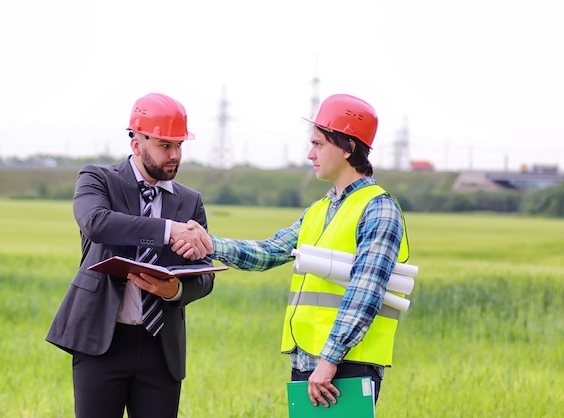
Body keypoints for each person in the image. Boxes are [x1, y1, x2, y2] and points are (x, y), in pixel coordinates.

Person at [173, 93, 410, 407]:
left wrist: (329, 360)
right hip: (307, 362)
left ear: (349, 147)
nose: (310, 154)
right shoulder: (319, 211)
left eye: (318, 144)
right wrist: (209, 243)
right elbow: (269, 251)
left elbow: (365, 291)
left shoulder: (378, 209)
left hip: (345, 364)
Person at [46, 92, 215, 418]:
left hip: (160, 348)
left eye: (179, 145)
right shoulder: (97, 179)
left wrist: (177, 290)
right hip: (101, 342)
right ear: (136, 143)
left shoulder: (190, 201)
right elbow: (97, 223)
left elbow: (205, 274)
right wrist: (168, 230)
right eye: (165, 145)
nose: (175, 155)